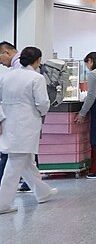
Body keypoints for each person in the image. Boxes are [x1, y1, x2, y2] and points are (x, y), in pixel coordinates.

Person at [0, 47, 57, 213]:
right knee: (16, 163)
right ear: (38, 60)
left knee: (27, 162)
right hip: (27, 124)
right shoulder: (36, 78)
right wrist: (40, 113)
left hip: (9, 123)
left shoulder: (7, 76)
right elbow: (43, 103)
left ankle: (42, 192)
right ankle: (2, 203)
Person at [0, 41, 28, 192]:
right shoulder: (23, 69)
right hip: (24, 120)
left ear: (7, 53)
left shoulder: (17, 70)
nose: (1, 64)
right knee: (27, 155)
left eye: (0, 59)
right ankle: (32, 186)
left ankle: (3, 189)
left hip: (17, 119)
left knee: (8, 153)